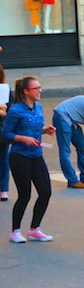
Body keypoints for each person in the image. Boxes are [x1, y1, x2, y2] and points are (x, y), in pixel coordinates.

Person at [3, 76, 56, 243]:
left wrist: (45, 130)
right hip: (19, 157)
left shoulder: (38, 107)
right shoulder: (15, 110)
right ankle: (15, 231)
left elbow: (33, 128)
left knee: (46, 192)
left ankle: (35, 229)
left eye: (40, 87)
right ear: (26, 91)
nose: (40, 91)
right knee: (24, 195)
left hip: (36, 155)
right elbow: (6, 135)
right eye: (36, 88)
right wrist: (22, 138)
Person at [52, 96, 84, 189]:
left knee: (83, 147)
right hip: (62, 116)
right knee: (65, 150)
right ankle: (72, 180)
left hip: (72, 120)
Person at [0, 64, 14, 201]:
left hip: (1, 129)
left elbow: (9, 110)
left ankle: (3, 189)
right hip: (2, 128)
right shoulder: (5, 89)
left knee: (4, 158)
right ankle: (3, 189)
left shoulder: (4, 89)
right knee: (3, 159)